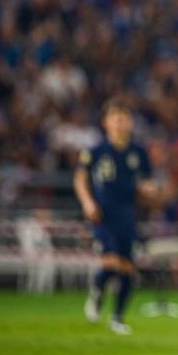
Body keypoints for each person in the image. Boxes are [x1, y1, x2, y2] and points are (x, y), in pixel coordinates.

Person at [74, 97, 158, 335]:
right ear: (106, 123)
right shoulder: (95, 151)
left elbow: (147, 181)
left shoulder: (138, 152)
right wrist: (87, 202)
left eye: (124, 119)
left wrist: (149, 189)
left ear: (130, 123)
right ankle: (97, 291)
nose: (120, 123)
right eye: (116, 118)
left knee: (129, 271)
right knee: (111, 263)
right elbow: (80, 179)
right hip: (102, 215)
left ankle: (117, 318)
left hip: (127, 216)